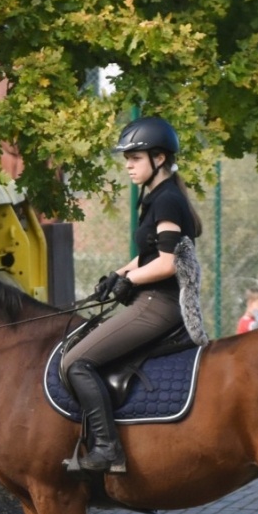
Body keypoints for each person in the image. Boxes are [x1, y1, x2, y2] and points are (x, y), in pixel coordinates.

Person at [60, 116, 203, 472]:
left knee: (77, 364)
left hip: (160, 305)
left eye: (135, 158)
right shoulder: (156, 197)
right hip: (149, 299)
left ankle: (108, 450)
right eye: (127, 158)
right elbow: (152, 252)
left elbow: (168, 264)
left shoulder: (168, 200)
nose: (128, 165)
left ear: (159, 159)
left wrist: (133, 280)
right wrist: (120, 273)